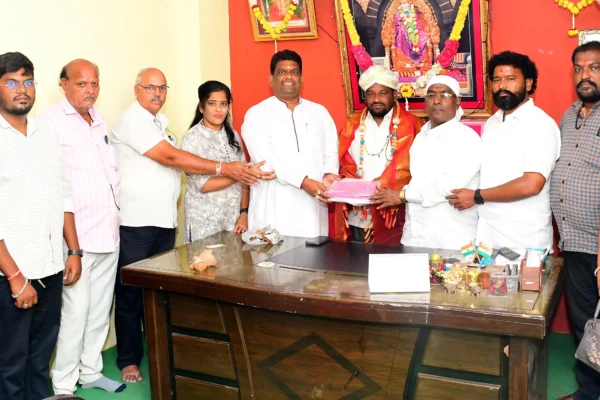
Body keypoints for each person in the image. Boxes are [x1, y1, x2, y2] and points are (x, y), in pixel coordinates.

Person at [38, 59, 125, 395]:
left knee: (100, 311)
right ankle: (63, 385)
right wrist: (71, 246)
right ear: (63, 84)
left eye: (95, 83)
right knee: (74, 313)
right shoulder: (49, 123)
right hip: (76, 238)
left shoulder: (98, 119)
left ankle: (91, 372)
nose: (90, 90)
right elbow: (54, 188)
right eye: (81, 83)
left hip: (108, 232)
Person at [0, 52, 82, 400]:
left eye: (28, 81)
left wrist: (73, 250)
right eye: (11, 82)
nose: (22, 89)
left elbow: (64, 194)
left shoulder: (45, 134)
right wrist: (16, 278)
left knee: (39, 358)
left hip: (50, 267)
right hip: (11, 274)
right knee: (10, 364)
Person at [447, 51, 560, 251]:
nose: (502, 86)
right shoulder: (493, 122)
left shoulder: (539, 124)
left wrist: (477, 196)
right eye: (497, 80)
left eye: (510, 79)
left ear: (528, 83)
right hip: (488, 237)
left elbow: (532, 184)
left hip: (524, 241)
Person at [371, 75, 481, 249]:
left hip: (452, 239)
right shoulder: (421, 137)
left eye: (444, 95)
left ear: (457, 101)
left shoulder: (467, 138)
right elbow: (418, 181)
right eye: (431, 95)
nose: (436, 101)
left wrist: (402, 195)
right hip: (415, 235)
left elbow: (449, 187)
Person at [243, 50, 340, 238]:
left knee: (314, 253)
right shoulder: (256, 114)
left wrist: (329, 174)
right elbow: (267, 163)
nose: (288, 76)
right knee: (275, 255)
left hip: (313, 205)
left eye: (294, 72)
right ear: (271, 80)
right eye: (281, 72)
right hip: (274, 206)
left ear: (301, 80)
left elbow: (330, 151)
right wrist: (303, 182)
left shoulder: (319, 112)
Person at [550, 41, 600, 400]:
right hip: (574, 243)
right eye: (579, 68)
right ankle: (589, 393)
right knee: (586, 325)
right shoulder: (569, 116)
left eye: (595, 67)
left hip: (599, 247)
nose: (585, 75)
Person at [334, 65, 423, 244]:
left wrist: (387, 183)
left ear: (394, 95)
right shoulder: (352, 125)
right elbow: (341, 164)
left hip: (398, 212)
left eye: (382, 93)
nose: (376, 99)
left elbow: (422, 168)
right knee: (357, 259)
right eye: (370, 94)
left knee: (395, 258)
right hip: (358, 214)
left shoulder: (413, 124)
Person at [182, 81, 249, 242]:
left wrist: (244, 213)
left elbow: (245, 180)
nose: (219, 109)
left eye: (223, 104)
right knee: (205, 259)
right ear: (201, 107)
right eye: (212, 103)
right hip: (204, 221)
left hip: (233, 221)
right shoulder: (192, 138)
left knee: (235, 259)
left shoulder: (233, 135)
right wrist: (239, 174)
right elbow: (205, 185)